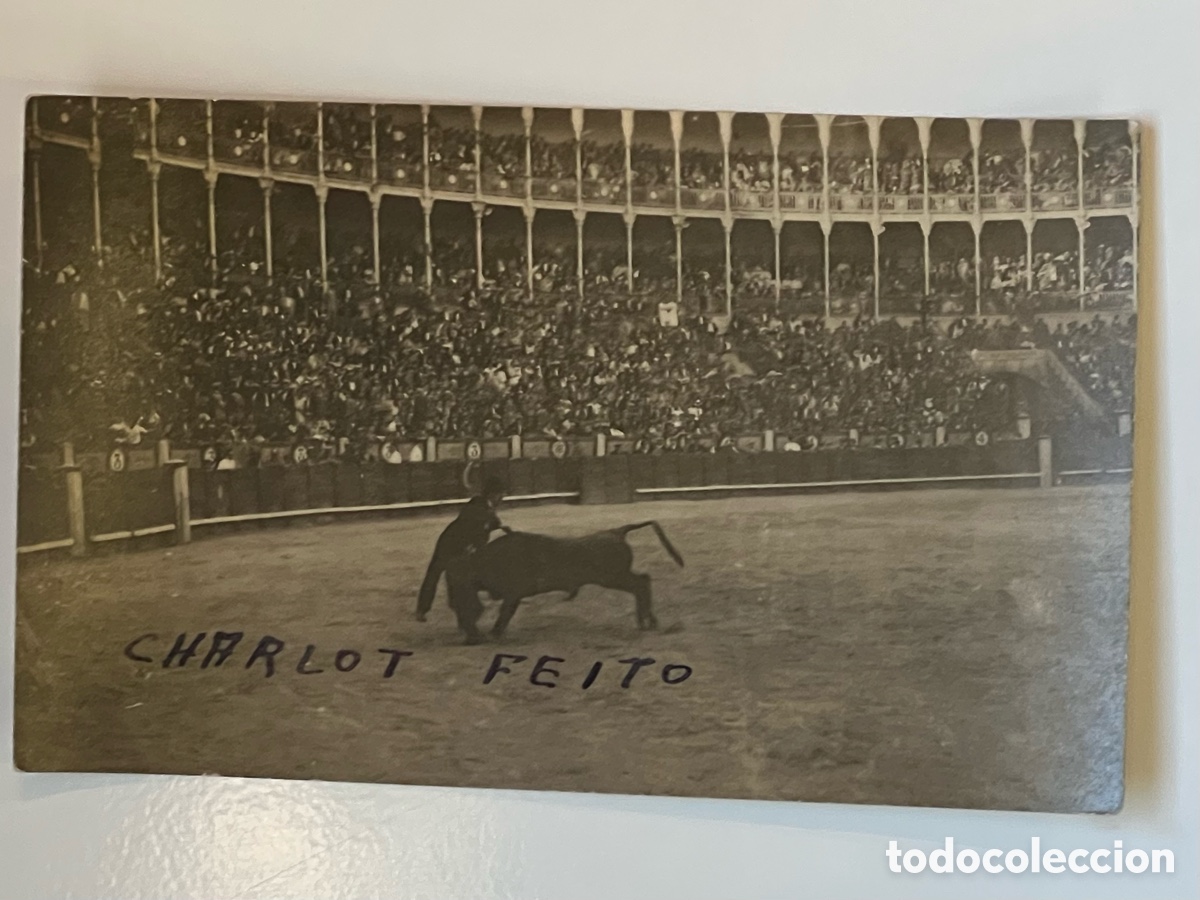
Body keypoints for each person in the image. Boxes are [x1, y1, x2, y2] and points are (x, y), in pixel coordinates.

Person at [414, 475, 508, 622]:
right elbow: (471, 528)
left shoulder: (486, 507)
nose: (502, 498)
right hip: (450, 544)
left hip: (462, 545)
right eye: (501, 494)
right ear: (493, 494)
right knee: (435, 573)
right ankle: (422, 609)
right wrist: (473, 547)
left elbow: (493, 522)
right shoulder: (477, 506)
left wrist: (503, 529)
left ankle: (458, 609)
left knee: (456, 575)